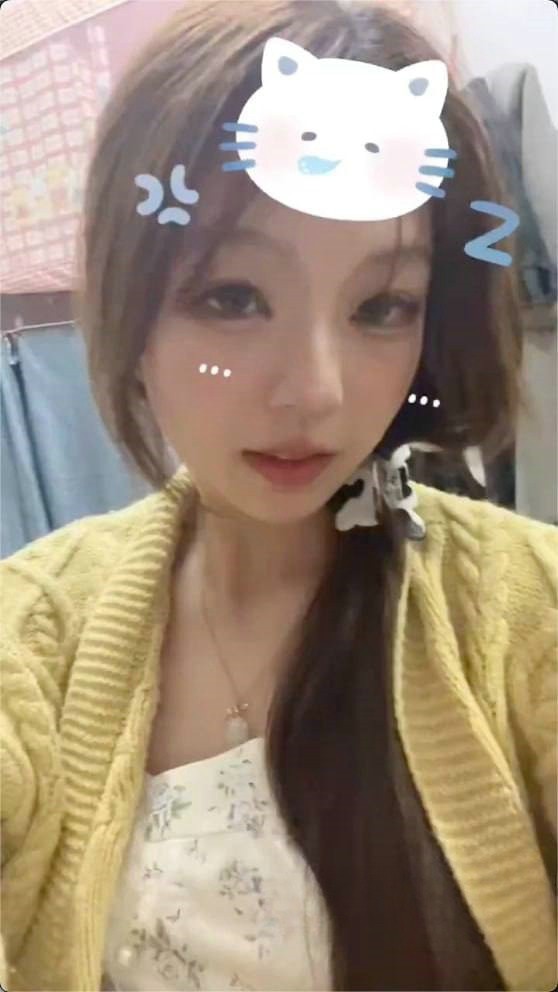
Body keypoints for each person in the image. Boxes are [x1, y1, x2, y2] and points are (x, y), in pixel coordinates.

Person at [1, 2, 556, 991]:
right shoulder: (31, 635)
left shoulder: (531, 609)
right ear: (131, 305)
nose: (316, 391)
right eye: (233, 296)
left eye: (381, 306)